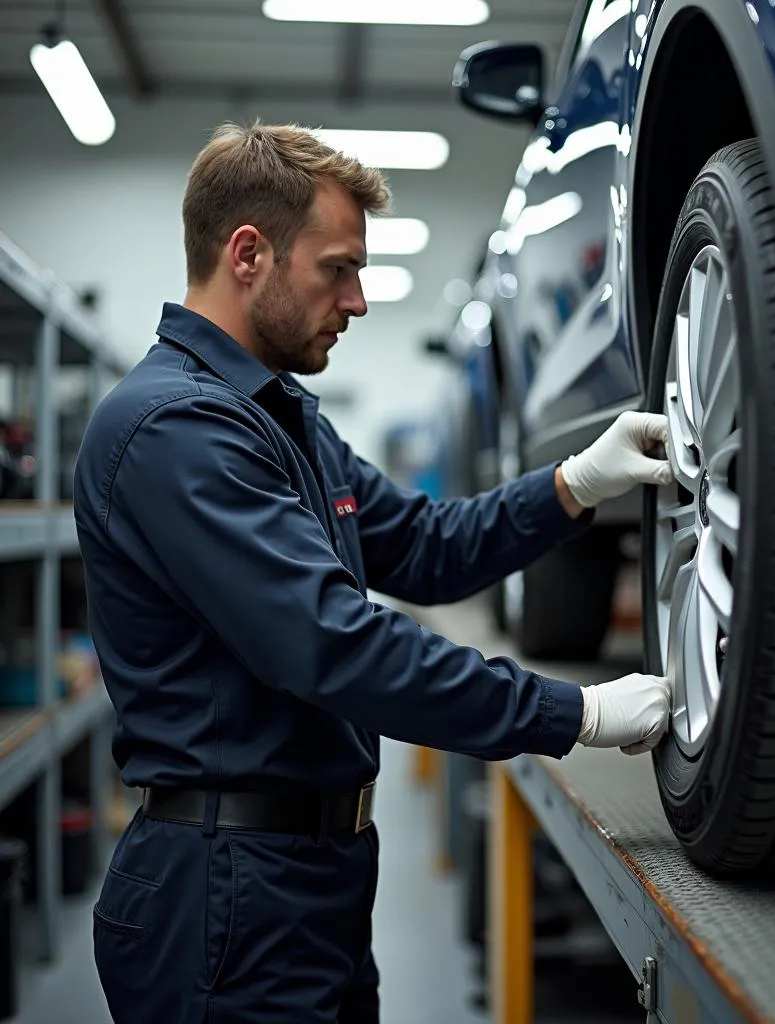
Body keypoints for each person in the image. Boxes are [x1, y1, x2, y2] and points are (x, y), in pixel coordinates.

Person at [73, 122, 673, 1024]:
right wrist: (573, 714)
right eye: (339, 269)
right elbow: (335, 645)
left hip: (311, 880)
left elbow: (425, 547)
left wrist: (574, 484)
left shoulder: (282, 419)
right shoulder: (176, 430)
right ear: (248, 254)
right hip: (225, 896)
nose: (358, 300)